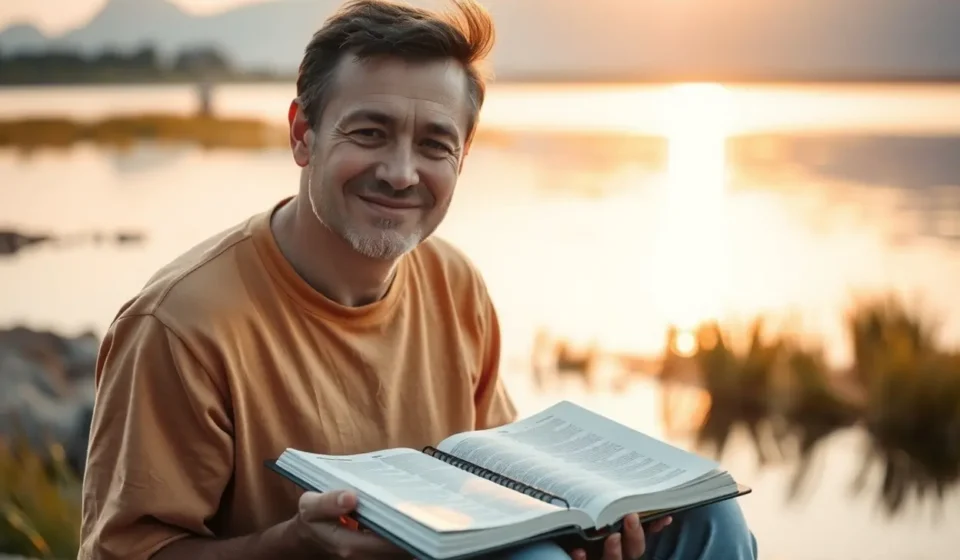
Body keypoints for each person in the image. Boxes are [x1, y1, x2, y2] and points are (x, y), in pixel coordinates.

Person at [78, 1, 758, 559]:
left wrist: (590, 527)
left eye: (435, 144)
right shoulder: (181, 325)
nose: (402, 172)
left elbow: (504, 478)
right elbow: (125, 554)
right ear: (302, 135)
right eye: (369, 133)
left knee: (714, 523)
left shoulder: (453, 282)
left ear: (461, 158)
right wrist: (291, 546)